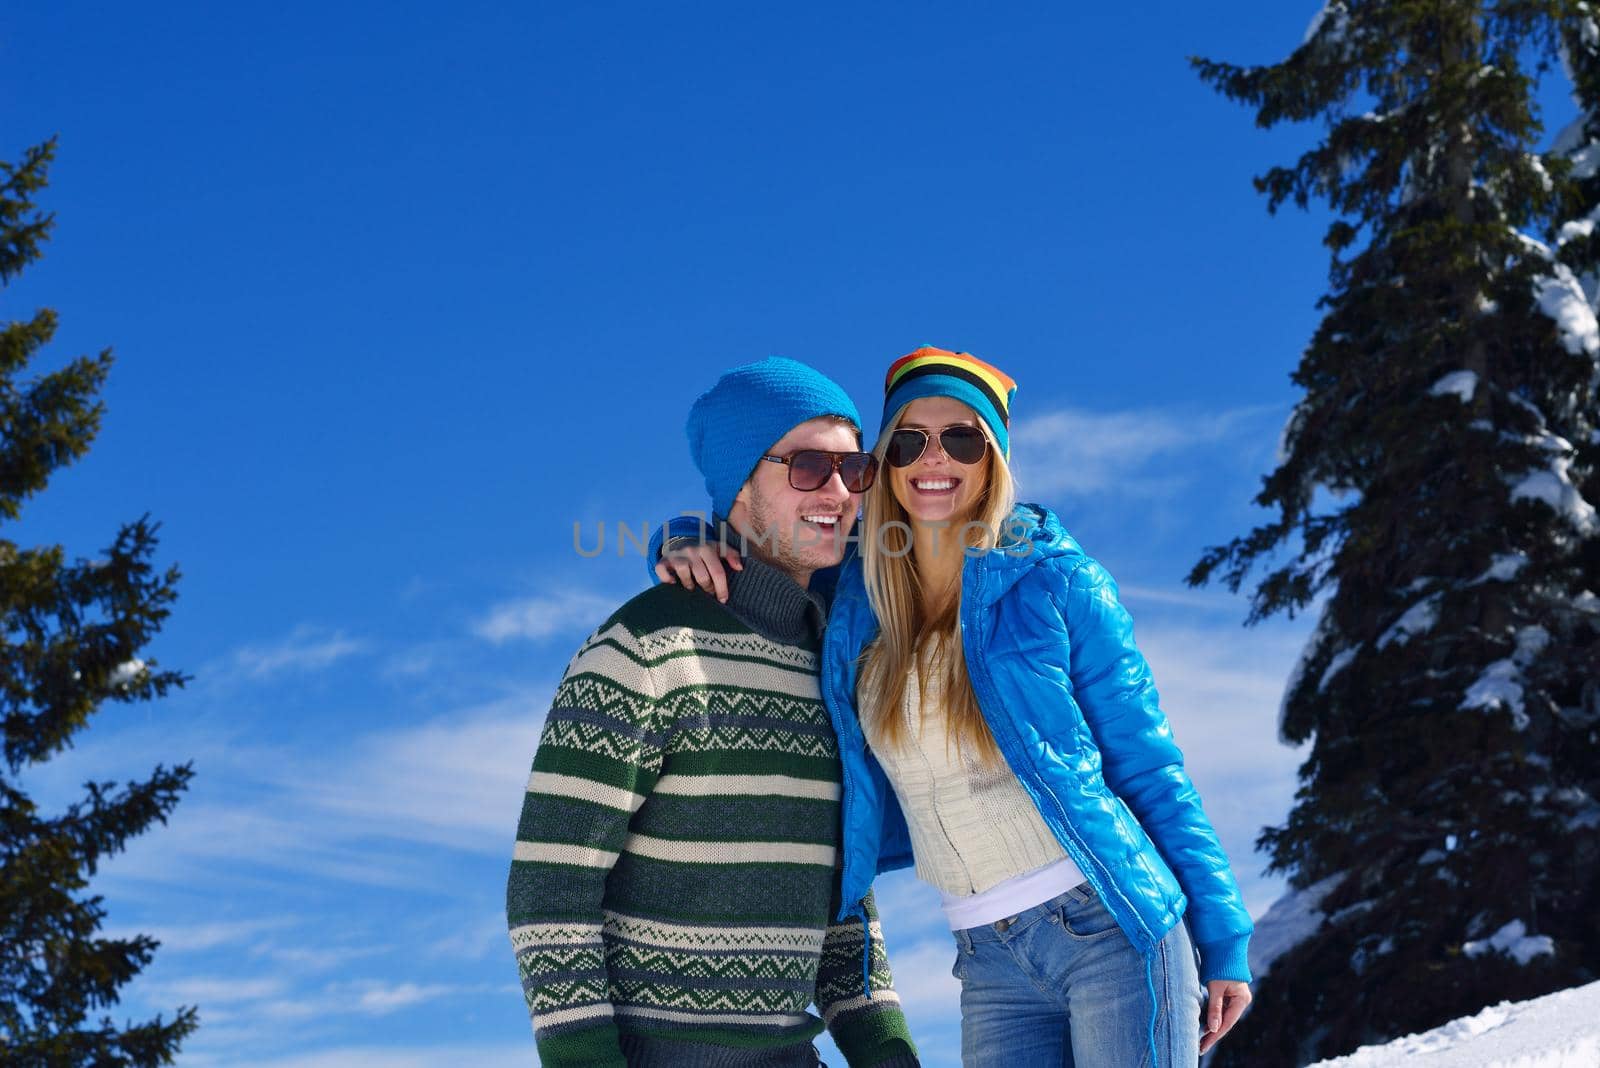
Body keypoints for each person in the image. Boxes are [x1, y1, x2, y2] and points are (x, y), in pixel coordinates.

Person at [653, 346, 1254, 1067]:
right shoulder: (856, 599)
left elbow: (1151, 768)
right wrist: (685, 539)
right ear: (886, 464)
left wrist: (1225, 937)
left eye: (961, 437)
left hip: (1112, 928)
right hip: (985, 957)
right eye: (908, 441)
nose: (934, 459)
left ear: (994, 454)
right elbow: (762, 541)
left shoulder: (1058, 582)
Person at [506, 357, 920, 1068]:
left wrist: (890, 1054)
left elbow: (841, 912)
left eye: (854, 471)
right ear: (739, 481)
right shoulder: (646, 649)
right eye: (808, 467)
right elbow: (550, 889)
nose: (839, 493)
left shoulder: (831, 665)